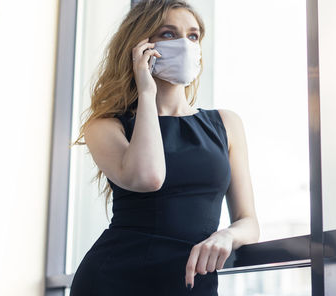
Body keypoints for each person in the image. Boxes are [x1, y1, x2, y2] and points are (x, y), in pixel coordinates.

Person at [69, 0, 260, 294]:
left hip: (191, 282)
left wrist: (226, 236)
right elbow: (148, 177)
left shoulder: (227, 124)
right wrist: (147, 92)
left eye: (193, 36)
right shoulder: (106, 126)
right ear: (140, 46)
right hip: (114, 279)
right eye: (169, 34)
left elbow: (249, 222)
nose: (184, 44)